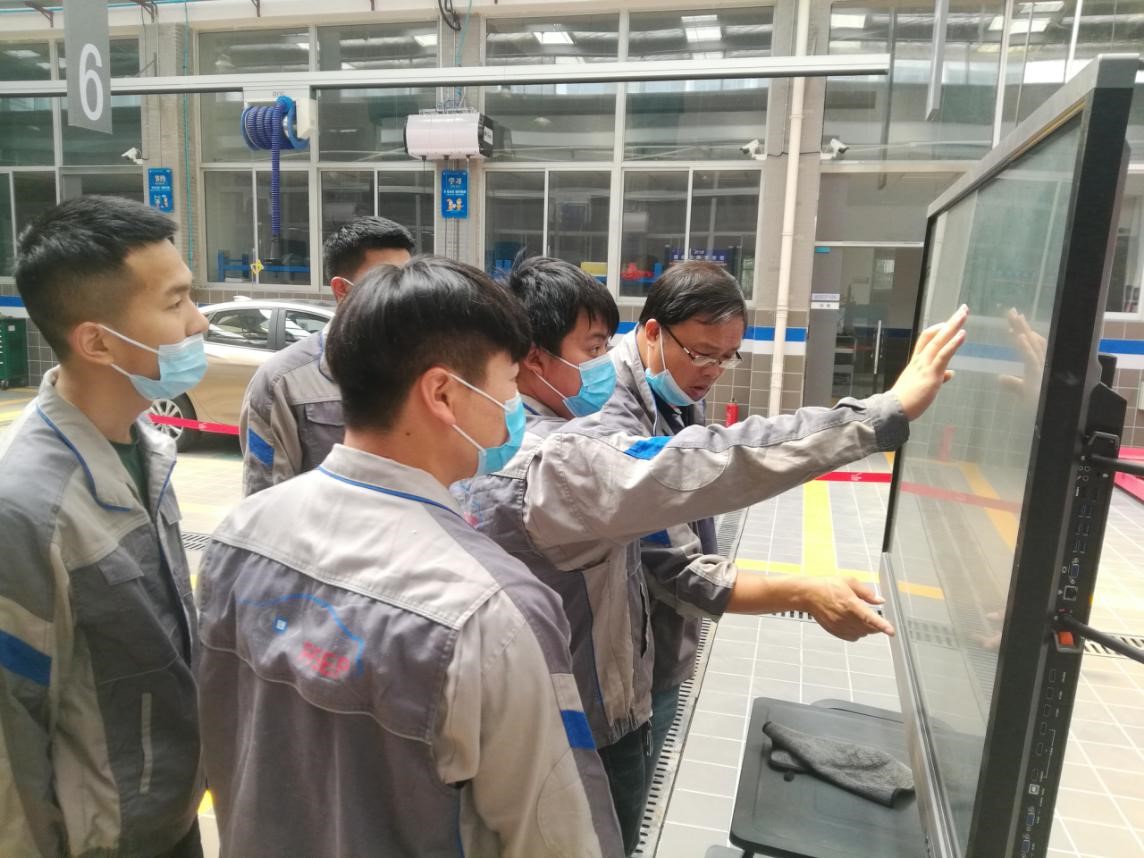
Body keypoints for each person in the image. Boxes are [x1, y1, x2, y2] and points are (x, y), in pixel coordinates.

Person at [459, 259, 968, 853]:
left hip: (593, 685)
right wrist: (877, 416)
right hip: (583, 715)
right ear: (530, 360)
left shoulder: (545, 431)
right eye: (594, 348)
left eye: (726, 357)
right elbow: (698, 471)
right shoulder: (560, 458)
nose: (605, 362)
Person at [196, 256, 624, 857]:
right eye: (508, 382)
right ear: (443, 393)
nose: (514, 404)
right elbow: (555, 836)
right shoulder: (493, 610)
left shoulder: (239, 535)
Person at [0, 196, 207, 857]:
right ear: (97, 341)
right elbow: (11, 740)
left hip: (168, 813)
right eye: (175, 303)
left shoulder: (146, 445)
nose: (199, 321)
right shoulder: (26, 508)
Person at [239, 215, 414, 494]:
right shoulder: (282, 382)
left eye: (407, 281)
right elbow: (266, 496)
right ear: (342, 290)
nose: (402, 296)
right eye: (385, 283)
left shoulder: (423, 367)